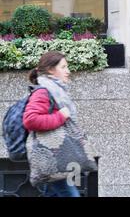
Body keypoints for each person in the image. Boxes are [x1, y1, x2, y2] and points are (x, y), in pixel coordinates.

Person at [23, 51, 80, 197]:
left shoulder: (56, 91)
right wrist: (60, 116)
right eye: (63, 67)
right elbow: (30, 120)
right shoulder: (44, 91)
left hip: (58, 155)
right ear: (50, 70)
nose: (68, 71)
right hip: (52, 157)